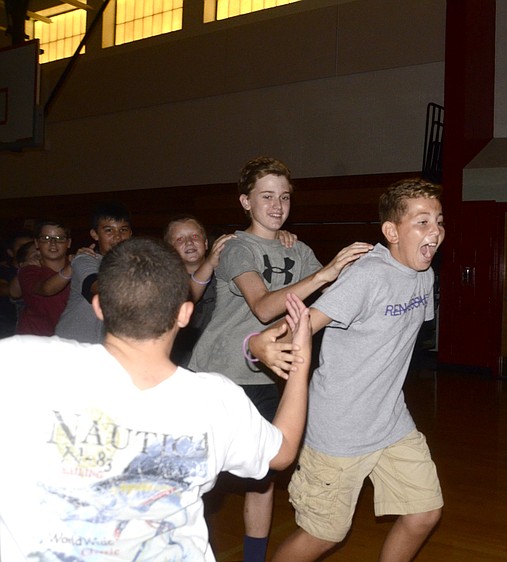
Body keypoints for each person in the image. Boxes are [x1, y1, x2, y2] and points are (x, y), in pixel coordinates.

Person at [0, 236, 313, 561]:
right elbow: (284, 450)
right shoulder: (216, 400)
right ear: (184, 314)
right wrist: (300, 360)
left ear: (99, 308)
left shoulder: (21, 361)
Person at [189, 156, 373, 562]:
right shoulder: (237, 247)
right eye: (266, 197)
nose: (277, 206)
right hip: (220, 375)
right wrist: (324, 273)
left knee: (263, 478)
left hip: (269, 376)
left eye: (284, 197)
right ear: (245, 202)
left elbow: (332, 295)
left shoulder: (298, 248)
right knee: (200, 476)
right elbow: (264, 307)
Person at [251, 177, 445, 562]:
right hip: (338, 430)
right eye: (422, 222)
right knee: (323, 535)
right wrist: (261, 342)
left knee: (424, 513)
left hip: (390, 422)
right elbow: (306, 321)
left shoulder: (424, 275)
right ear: (391, 231)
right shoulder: (367, 275)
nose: (435, 232)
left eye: (439, 221)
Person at [55, 202, 133, 343]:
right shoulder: (85, 259)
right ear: (95, 234)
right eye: (109, 230)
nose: (117, 236)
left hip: (106, 350)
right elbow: (96, 287)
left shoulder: (135, 265)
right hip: (72, 346)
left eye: (123, 230)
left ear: (130, 233)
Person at [164, 215, 235, 366]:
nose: (189, 242)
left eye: (195, 236)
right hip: (184, 363)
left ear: (206, 243)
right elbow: (186, 298)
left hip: (223, 359)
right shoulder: (165, 281)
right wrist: (209, 263)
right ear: (170, 249)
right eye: (180, 239)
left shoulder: (226, 273)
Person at [15, 221, 74, 336]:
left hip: (71, 340)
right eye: (46, 238)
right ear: (37, 243)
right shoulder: (29, 270)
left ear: (68, 243)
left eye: (60, 238)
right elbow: (46, 289)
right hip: (36, 342)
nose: (53, 243)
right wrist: (73, 267)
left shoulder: (81, 267)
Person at [0, 230, 33, 338]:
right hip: (6, 326)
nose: (27, 250)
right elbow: (6, 290)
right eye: (22, 247)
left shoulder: (39, 270)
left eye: (30, 245)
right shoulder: (4, 270)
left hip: (31, 330)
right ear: (10, 252)